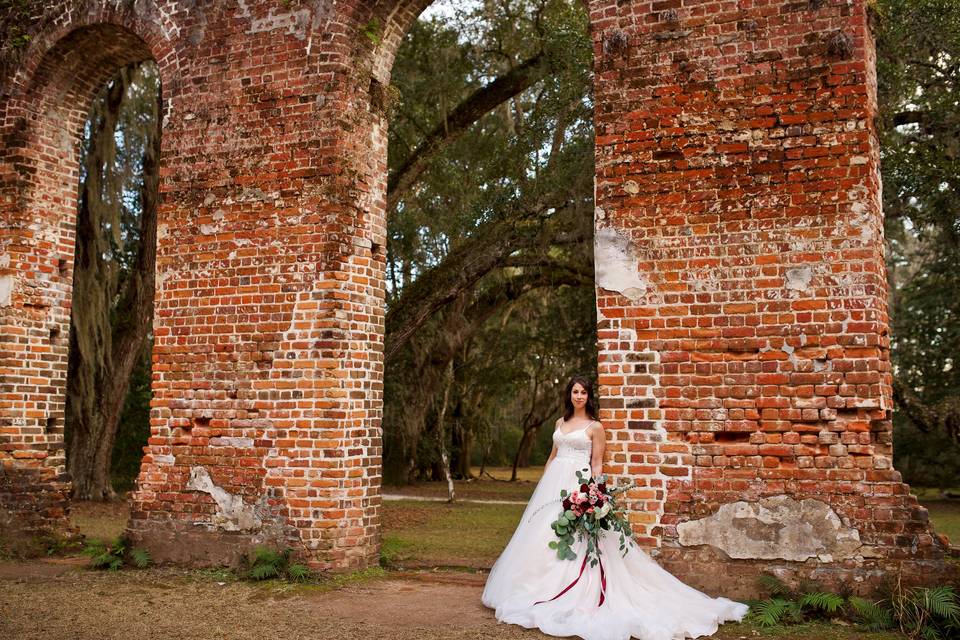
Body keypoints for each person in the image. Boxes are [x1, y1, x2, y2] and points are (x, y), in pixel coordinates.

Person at [481, 375, 749, 640]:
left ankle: (573, 587)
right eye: (575, 392)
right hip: (553, 486)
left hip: (578, 483)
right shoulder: (559, 422)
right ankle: (534, 587)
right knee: (542, 535)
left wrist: (595, 493)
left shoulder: (595, 427)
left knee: (577, 537)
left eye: (583, 392)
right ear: (569, 394)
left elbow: (597, 462)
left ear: (589, 396)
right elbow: (552, 457)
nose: (579, 396)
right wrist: (542, 485)